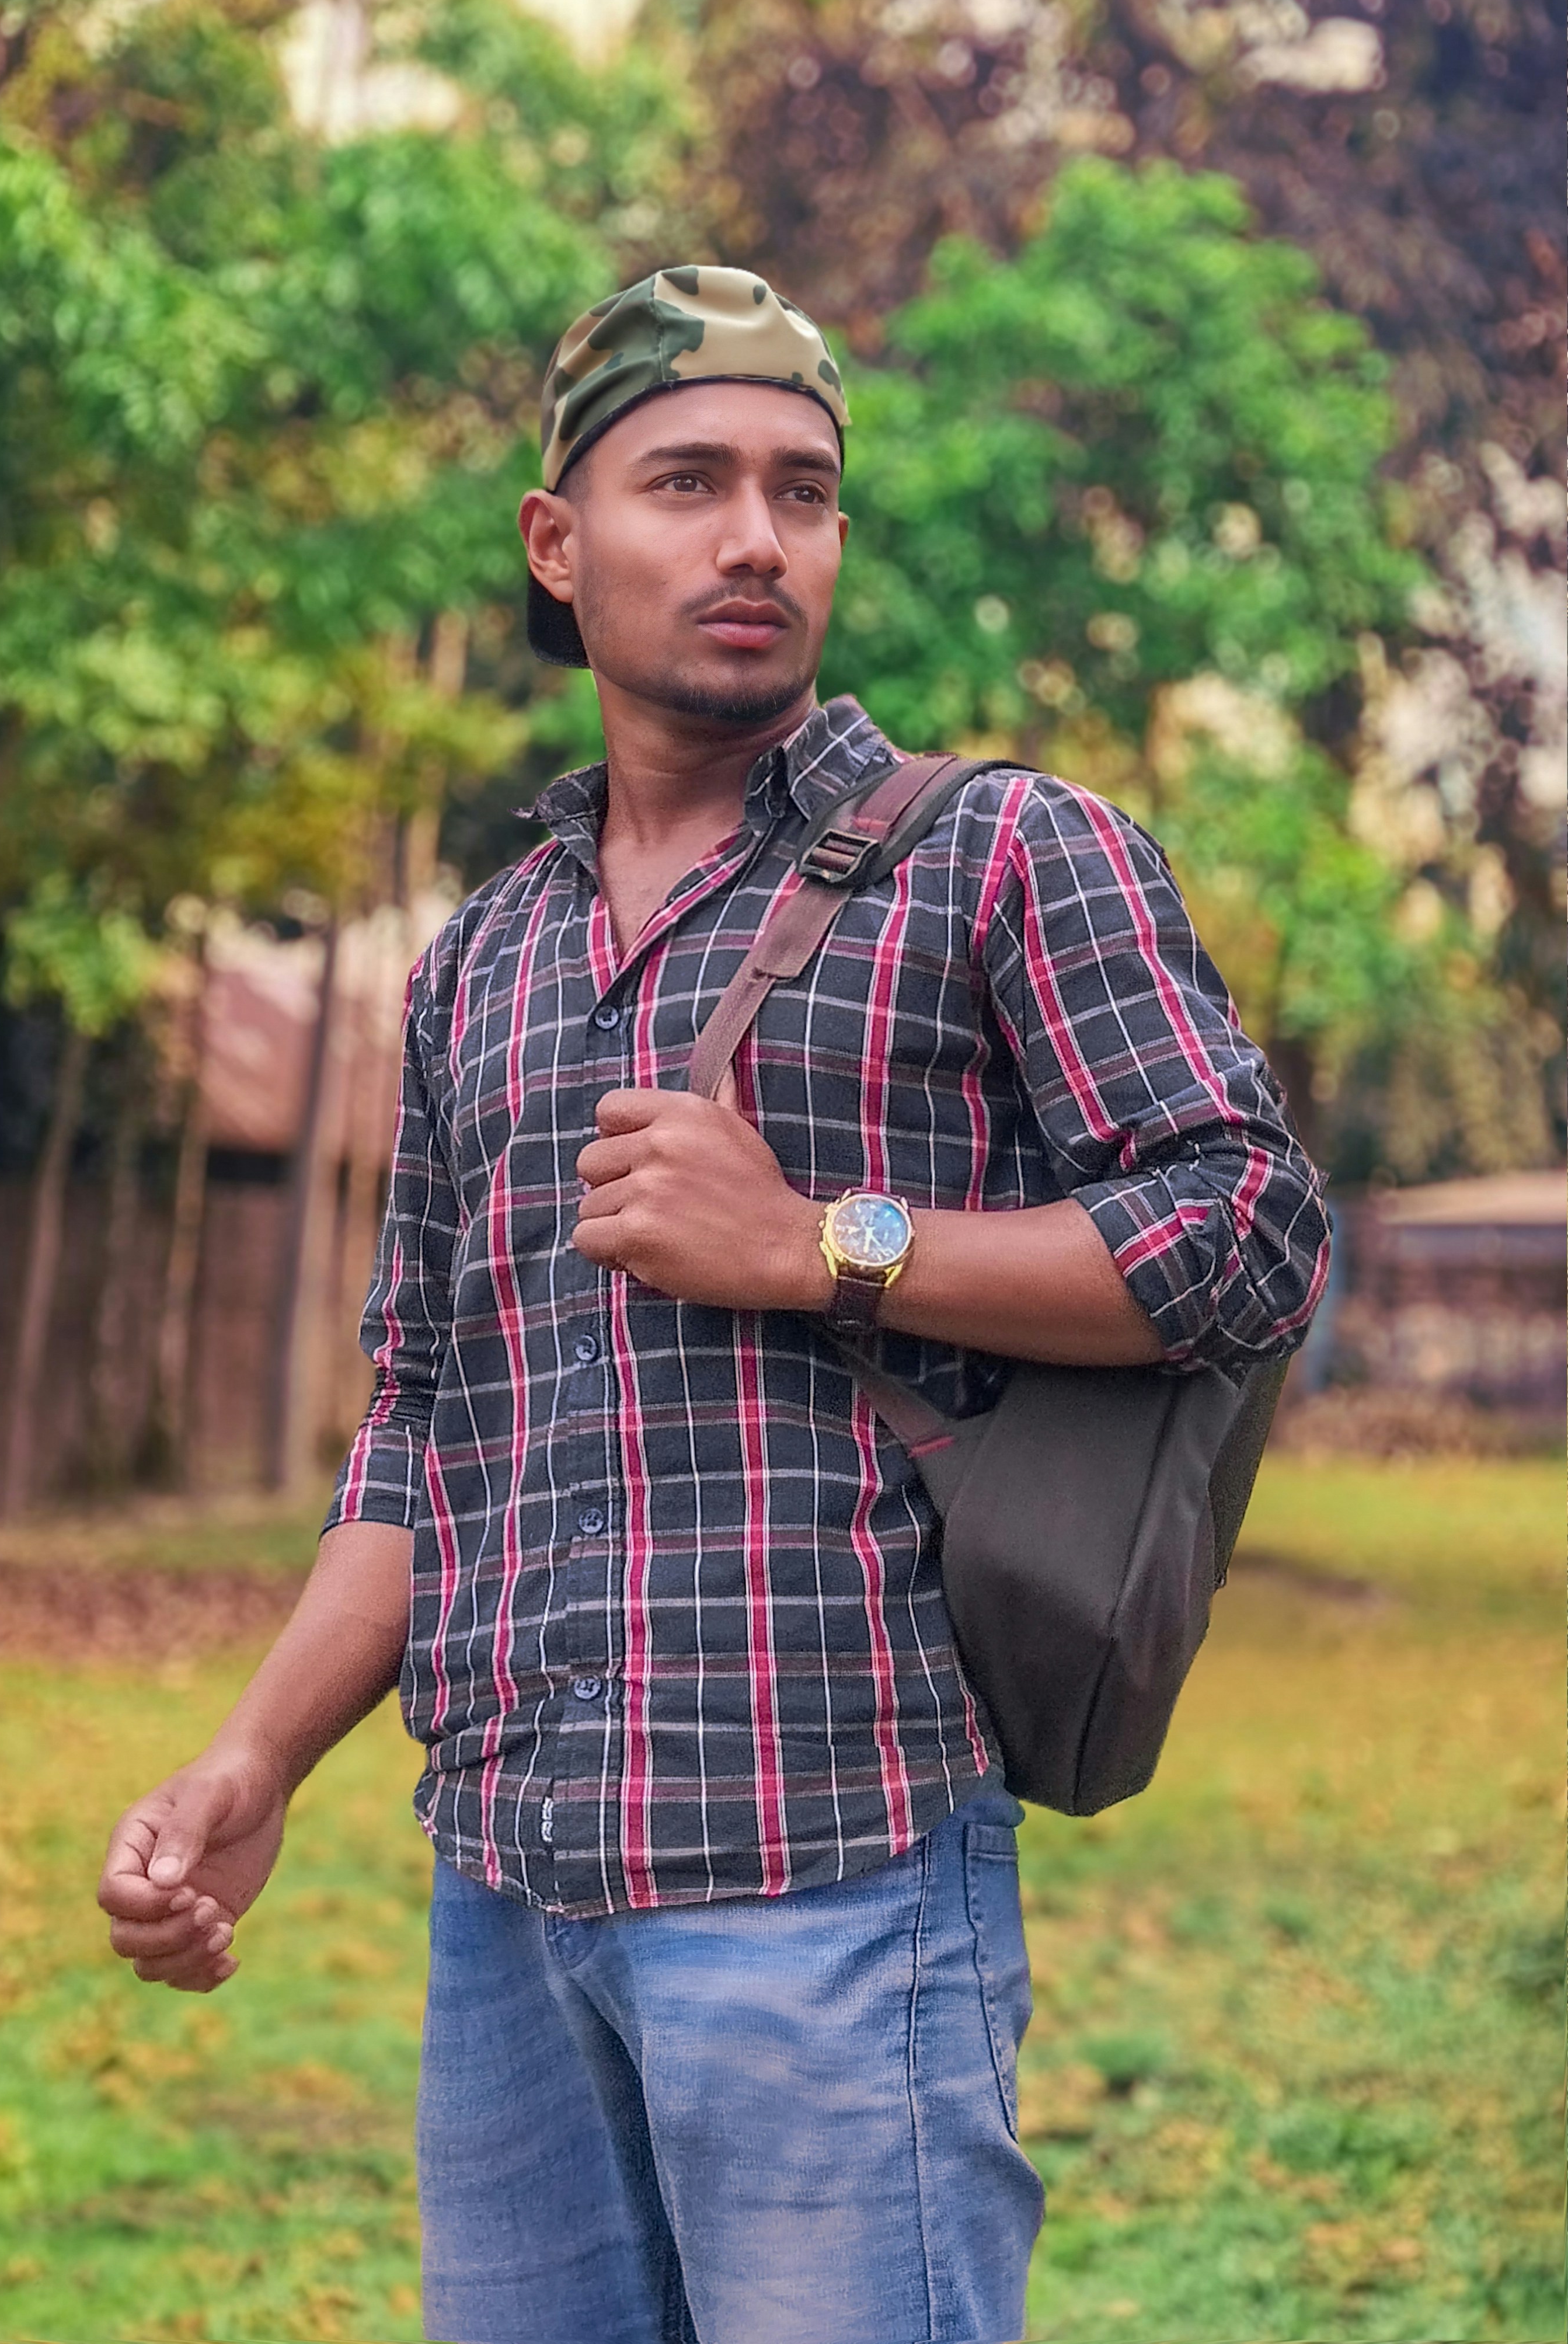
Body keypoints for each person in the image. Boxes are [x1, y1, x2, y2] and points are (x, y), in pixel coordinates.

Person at [99, 266, 1329, 2344]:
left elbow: (1251, 1237)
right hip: (508, 1884)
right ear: (556, 547)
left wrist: (823, 1241)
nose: (757, 537)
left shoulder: (1004, 855)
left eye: (803, 490)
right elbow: (428, 1415)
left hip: (827, 1866)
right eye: (688, 482)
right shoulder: (479, 962)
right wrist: (256, 1762)